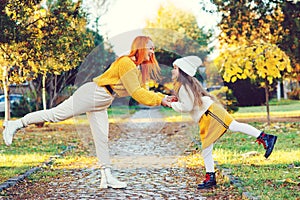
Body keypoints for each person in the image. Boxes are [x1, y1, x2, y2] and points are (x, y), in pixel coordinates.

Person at [2, 36, 172, 189]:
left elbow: (141, 90)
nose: (153, 51)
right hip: (93, 94)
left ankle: (106, 177)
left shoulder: (135, 67)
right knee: (55, 115)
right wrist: (161, 100)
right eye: (150, 47)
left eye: (153, 48)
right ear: (141, 47)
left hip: (102, 101)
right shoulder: (126, 62)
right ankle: (15, 124)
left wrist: (163, 97)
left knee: (102, 138)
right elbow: (137, 93)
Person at [167, 55, 277, 189]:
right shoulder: (186, 85)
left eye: (175, 68)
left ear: (181, 71)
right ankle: (210, 177)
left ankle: (265, 137)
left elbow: (187, 107)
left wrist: (171, 105)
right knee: (210, 146)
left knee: (230, 128)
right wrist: (177, 102)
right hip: (209, 113)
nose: (172, 71)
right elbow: (189, 103)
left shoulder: (184, 86)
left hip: (210, 114)